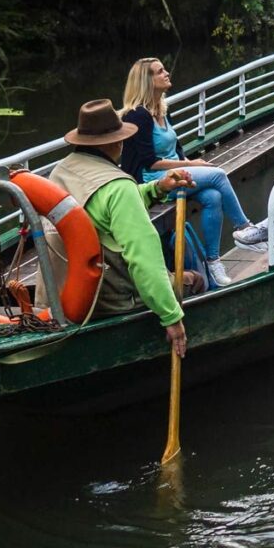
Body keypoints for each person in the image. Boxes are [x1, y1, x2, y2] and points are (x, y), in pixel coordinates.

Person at [44, 99, 193, 358]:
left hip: (60, 294)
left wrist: (157, 188)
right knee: (194, 280)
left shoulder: (61, 171)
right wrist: (171, 318)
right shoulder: (118, 186)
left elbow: (102, 207)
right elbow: (144, 259)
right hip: (110, 299)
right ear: (114, 143)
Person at [118, 57, 268, 286]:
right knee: (217, 175)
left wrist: (188, 162)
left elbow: (176, 152)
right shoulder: (137, 115)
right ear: (146, 81)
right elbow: (149, 162)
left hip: (176, 173)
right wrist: (194, 165)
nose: (166, 73)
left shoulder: (162, 109)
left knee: (213, 196)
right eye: (160, 72)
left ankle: (213, 262)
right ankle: (245, 229)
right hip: (154, 181)